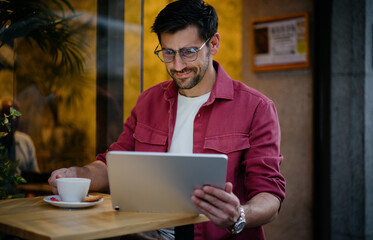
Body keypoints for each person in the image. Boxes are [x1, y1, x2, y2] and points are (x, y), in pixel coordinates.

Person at [48, 0, 286, 239]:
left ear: (213, 44)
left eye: (188, 52)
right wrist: (77, 174)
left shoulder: (256, 108)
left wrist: (238, 215)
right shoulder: (148, 101)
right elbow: (114, 165)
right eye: (168, 53)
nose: (177, 65)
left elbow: (269, 196)